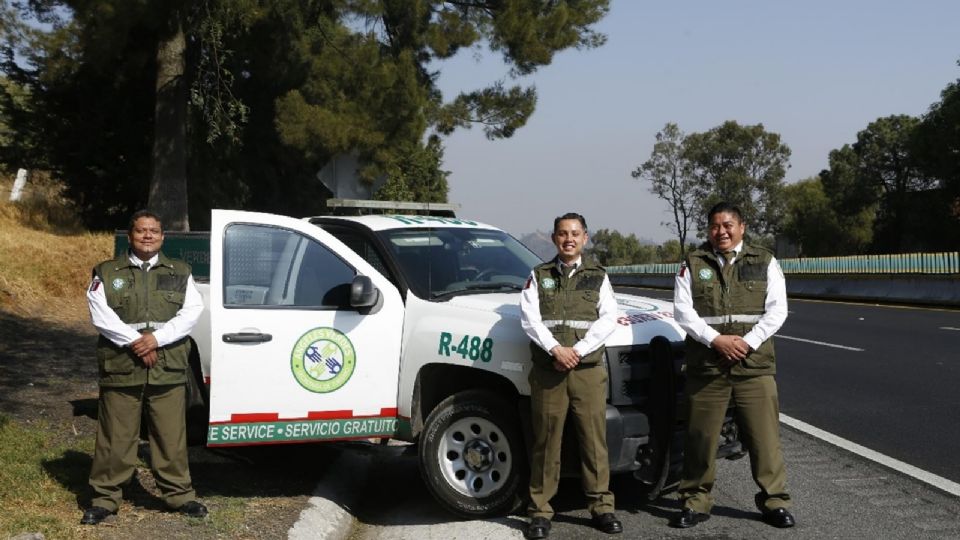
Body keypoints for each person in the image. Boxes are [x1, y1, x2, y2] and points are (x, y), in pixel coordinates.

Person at [669, 202, 795, 529]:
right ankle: (695, 501)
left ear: (742, 227)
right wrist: (716, 340)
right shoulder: (693, 263)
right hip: (708, 366)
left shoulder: (764, 261)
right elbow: (683, 312)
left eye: (728, 225)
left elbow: (777, 310)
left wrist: (747, 343)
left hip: (753, 366)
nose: (721, 232)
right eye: (715, 226)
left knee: (764, 438)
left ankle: (774, 501)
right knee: (701, 439)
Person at [81, 210, 208, 525]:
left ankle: (180, 495)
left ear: (163, 237)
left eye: (154, 231)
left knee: (170, 436)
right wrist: (137, 342)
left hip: (167, 366)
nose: (148, 236)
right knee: (115, 436)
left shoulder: (180, 271)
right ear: (130, 236)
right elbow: (101, 314)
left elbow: (192, 311)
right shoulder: (108, 272)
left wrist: (156, 340)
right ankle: (105, 499)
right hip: (122, 365)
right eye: (141, 231)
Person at [519, 212, 623, 539]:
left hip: (587, 370)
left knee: (593, 441)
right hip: (550, 370)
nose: (569, 239)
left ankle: (602, 508)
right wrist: (556, 350)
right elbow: (529, 319)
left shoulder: (598, 276)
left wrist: (577, 349)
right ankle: (539, 511)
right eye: (563, 233)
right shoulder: (539, 275)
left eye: (575, 234)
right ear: (554, 238)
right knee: (546, 441)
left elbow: (609, 318)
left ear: (585, 238)